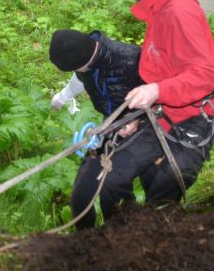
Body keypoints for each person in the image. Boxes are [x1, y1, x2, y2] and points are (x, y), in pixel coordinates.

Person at [108, 0, 214, 207]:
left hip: (194, 117)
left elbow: (206, 75)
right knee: (128, 175)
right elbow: (163, 67)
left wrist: (157, 91)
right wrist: (135, 116)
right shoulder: (159, 8)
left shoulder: (177, 12)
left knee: (161, 196)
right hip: (165, 113)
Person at [49, 28, 146, 229]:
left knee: (113, 194)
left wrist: (137, 118)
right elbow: (79, 79)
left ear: (87, 60)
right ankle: (86, 242)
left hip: (144, 129)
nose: (81, 72)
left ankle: (122, 236)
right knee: (80, 198)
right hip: (109, 126)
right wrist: (63, 96)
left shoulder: (131, 59)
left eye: (80, 68)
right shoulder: (83, 58)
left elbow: (159, 91)